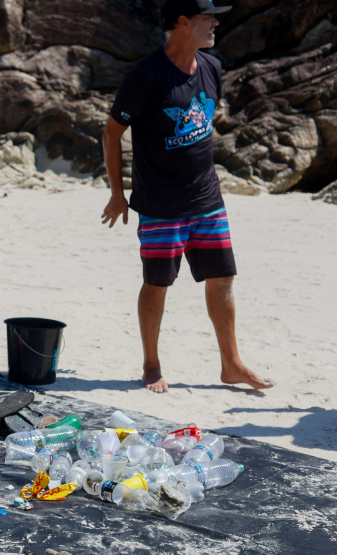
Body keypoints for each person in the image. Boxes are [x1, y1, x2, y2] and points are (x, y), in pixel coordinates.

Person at [100, 0, 275, 393]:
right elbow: (112, 134)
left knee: (222, 279)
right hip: (161, 204)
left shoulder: (211, 66)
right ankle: (151, 364)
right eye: (207, 17)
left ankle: (231, 364)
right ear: (183, 22)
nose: (216, 23)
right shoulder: (146, 75)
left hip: (207, 199)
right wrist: (118, 194)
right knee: (157, 284)